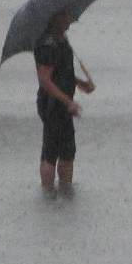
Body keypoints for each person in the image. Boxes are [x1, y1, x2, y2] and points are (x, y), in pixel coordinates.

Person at [33, 10, 94, 196]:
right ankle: (48, 193)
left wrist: (81, 83)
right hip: (53, 104)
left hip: (63, 103)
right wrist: (68, 102)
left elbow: (62, 73)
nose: (71, 20)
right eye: (66, 16)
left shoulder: (62, 40)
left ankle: (66, 191)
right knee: (51, 150)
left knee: (68, 151)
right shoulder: (47, 44)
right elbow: (45, 79)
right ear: (56, 18)